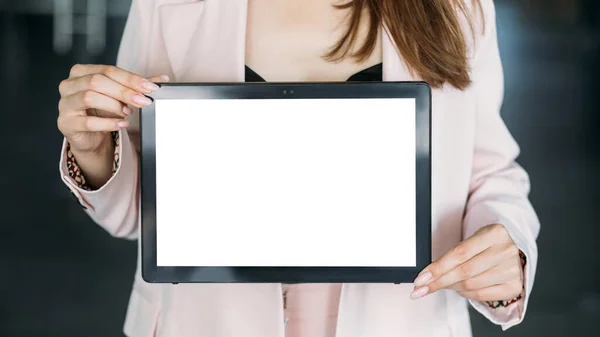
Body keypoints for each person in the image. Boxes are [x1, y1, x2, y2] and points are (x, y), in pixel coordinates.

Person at [56, 0, 540, 336]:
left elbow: (489, 174)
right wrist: (96, 149)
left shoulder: (457, 9)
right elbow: (136, 211)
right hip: (202, 325)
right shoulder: (170, 5)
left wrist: (506, 249)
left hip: (403, 322)